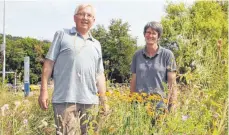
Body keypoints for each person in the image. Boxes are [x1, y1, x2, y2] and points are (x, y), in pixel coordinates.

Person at [38, 4, 108, 135]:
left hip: (91, 102)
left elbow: (99, 75)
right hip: (65, 100)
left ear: (94, 20)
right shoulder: (62, 35)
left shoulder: (96, 44)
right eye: (82, 14)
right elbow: (48, 64)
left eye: (89, 15)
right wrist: (44, 91)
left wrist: (103, 100)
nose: (85, 18)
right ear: (75, 17)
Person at [130, 21, 177, 112]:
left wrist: (172, 105)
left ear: (158, 36)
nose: (150, 36)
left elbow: (172, 83)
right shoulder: (137, 55)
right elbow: (134, 80)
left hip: (160, 105)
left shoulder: (167, 55)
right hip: (139, 105)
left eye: (154, 33)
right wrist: (131, 101)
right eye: (148, 32)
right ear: (144, 34)